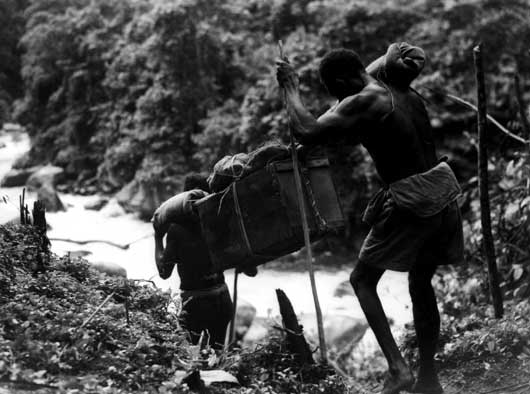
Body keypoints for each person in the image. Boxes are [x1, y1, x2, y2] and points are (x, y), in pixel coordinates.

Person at [276, 43, 464, 394]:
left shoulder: (367, 98)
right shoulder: (395, 87)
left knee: (361, 280)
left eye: (338, 92)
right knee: (421, 284)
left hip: (414, 201)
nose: (339, 100)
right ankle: (428, 378)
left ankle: (398, 369)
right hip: (442, 192)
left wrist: (290, 86)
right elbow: (343, 113)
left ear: (346, 79)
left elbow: (307, 130)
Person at [152, 173, 232, 349]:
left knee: (190, 354)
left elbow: (164, 273)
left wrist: (158, 238)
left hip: (196, 304)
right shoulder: (216, 222)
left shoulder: (176, 230)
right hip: (223, 298)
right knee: (217, 354)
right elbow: (244, 264)